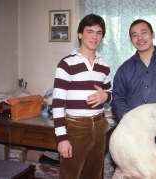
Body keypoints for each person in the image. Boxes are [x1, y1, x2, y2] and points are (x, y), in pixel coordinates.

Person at [52, 14, 112, 179]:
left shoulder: (104, 66)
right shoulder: (66, 64)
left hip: (100, 127)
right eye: (90, 31)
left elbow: (111, 94)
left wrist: (106, 96)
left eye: (99, 32)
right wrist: (61, 138)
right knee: (69, 175)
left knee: (94, 175)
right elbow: (57, 104)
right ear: (80, 34)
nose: (94, 37)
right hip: (76, 129)